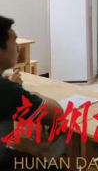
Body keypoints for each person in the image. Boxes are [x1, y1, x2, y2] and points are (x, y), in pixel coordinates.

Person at [0, 15, 64, 170]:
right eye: (14, 42)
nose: (19, 48)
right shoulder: (6, 89)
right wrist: (18, 89)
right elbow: (57, 111)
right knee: (59, 166)